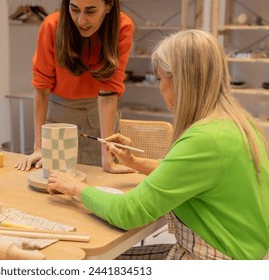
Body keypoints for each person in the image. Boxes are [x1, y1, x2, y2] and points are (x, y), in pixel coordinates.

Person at [47, 29, 269, 260]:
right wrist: (135, 162)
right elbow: (188, 174)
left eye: (161, 78)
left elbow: (129, 213)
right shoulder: (238, 123)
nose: (160, 86)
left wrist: (75, 188)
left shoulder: (205, 139)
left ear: (180, 81)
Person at [15, 0, 134, 173]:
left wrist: (107, 159)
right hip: (59, 115)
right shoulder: (52, 25)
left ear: (108, 6)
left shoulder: (122, 26)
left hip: (99, 117)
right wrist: (39, 147)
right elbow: (42, 89)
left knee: (96, 181)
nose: (80, 20)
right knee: (53, 182)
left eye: (91, 11)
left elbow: (108, 91)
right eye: (74, 9)